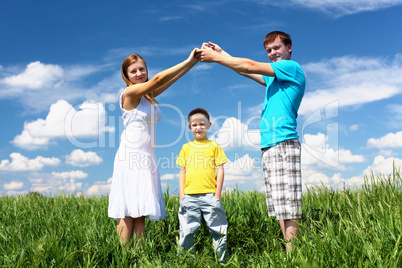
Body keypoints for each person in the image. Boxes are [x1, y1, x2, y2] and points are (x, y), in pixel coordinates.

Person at [196, 31, 305, 253]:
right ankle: (289, 253)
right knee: (279, 206)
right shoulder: (275, 79)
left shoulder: (291, 68)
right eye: (269, 51)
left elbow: (248, 65)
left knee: (289, 206)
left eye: (277, 48)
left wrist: (216, 58)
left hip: (284, 143)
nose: (273, 53)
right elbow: (245, 71)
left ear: (289, 48)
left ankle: (294, 258)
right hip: (270, 146)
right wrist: (223, 54)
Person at [108, 49, 198, 245]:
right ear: (126, 75)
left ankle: (140, 258)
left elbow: (167, 81)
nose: (139, 73)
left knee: (139, 211)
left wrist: (191, 64)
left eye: (142, 69)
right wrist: (186, 60)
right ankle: (122, 257)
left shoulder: (147, 96)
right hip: (131, 156)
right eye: (133, 71)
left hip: (146, 157)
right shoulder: (130, 92)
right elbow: (158, 79)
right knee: (126, 210)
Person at [176, 108, 229, 262]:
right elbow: (182, 171)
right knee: (186, 231)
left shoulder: (214, 146)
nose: (198, 127)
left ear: (209, 125)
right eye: (194, 125)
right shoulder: (186, 147)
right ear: (189, 128)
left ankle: (222, 261)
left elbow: (220, 169)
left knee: (218, 230)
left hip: (210, 195)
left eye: (202, 124)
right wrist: (182, 195)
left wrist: (217, 194)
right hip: (189, 196)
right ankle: (187, 261)